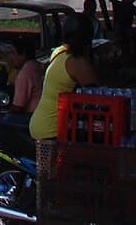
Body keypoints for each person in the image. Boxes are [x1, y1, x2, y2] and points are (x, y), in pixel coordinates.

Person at [29, 13, 97, 142]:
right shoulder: (77, 63)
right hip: (53, 130)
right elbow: (96, 94)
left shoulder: (59, 52)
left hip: (41, 123)